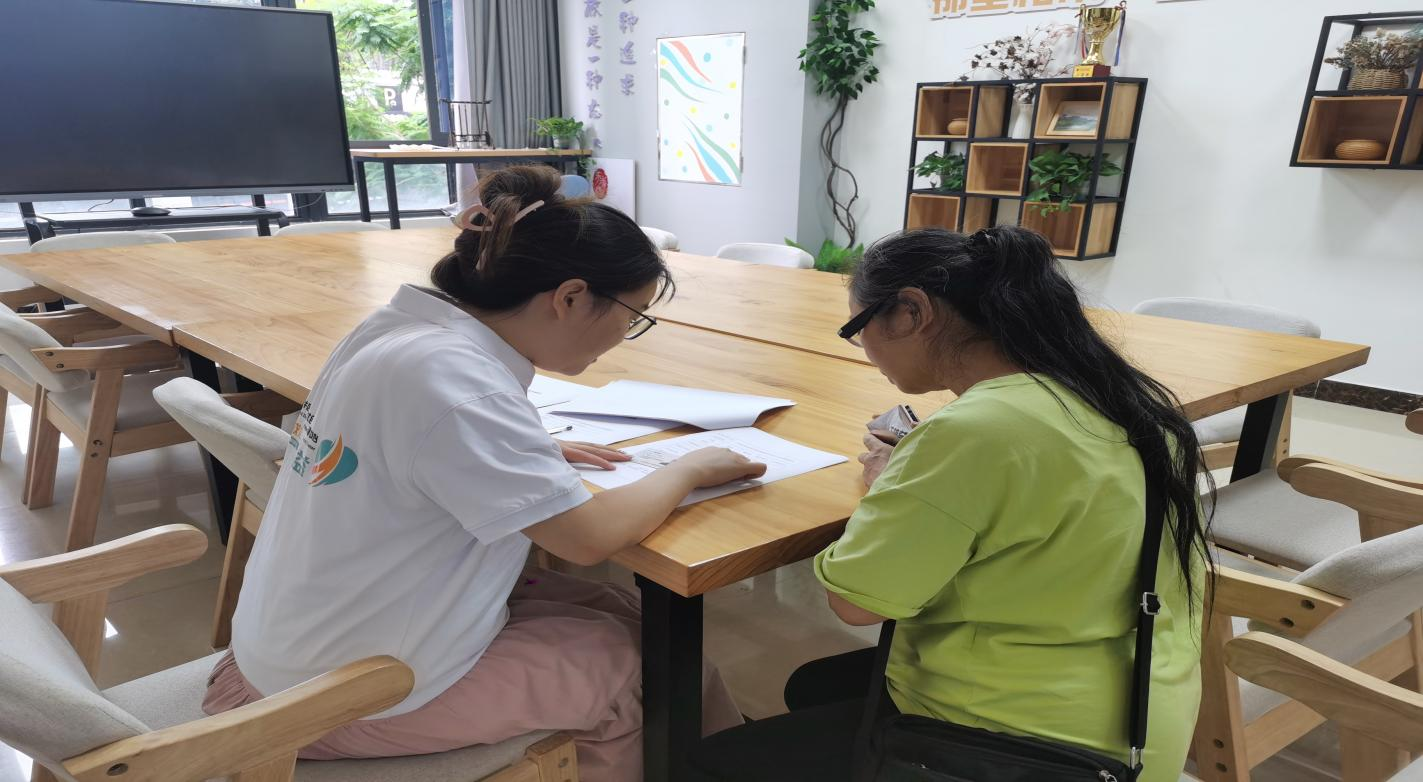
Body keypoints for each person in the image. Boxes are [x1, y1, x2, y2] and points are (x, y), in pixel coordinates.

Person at [203, 165, 764, 782]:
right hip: (341, 696)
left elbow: (415, 441)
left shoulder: (401, 331)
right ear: (571, 297)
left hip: (297, 647)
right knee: (647, 671)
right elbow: (587, 539)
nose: (627, 334)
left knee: (621, 611)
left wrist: (520, 451)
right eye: (633, 316)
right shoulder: (458, 381)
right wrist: (689, 468)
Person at [689, 226, 1210, 782]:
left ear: (911, 312)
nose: (864, 351)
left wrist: (889, 484)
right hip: (1139, 715)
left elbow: (855, 604)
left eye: (857, 329)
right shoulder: (1123, 398)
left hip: (1032, 748)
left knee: (706, 764)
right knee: (814, 685)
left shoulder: (973, 433)